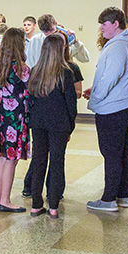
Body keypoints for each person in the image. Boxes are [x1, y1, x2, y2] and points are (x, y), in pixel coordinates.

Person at [83, 7, 128, 212]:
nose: (101, 28)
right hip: (125, 102)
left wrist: (97, 97)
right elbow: (117, 76)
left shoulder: (117, 46)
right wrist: (96, 88)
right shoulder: (126, 43)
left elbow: (111, 76)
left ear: (116, 23)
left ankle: (108, 199)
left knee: (112, 153)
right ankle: (122, 195)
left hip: (114, 107)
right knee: (122, 150)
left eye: (104, 24)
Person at [28, 34, 77, 218]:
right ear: (61, 50)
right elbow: (71, 104)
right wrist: (70, 126)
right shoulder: (66, 73)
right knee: (57, 162)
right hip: (60, 123)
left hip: (38, 123)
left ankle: (35, 204)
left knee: (39, 161)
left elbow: (30, 99)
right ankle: (54, 205)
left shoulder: (35, 71)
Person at [0, 28, 30, 212]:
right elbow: (28, 93)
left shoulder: (0, 65)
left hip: (2, 115)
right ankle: (5, 200)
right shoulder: (21, 68)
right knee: (11, 159)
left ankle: (0, 198)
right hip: (16, 117)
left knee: (3, 158)